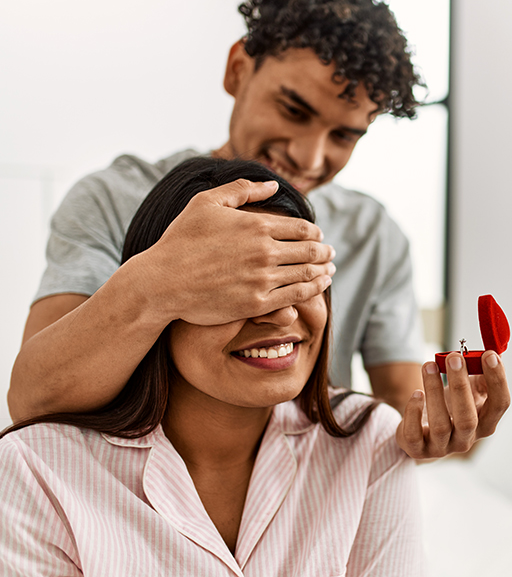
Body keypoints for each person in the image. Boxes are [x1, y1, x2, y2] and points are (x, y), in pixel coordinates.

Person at [8, 0, 510, 459]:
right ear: (238, 70)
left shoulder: (373, 235)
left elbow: (403, 414)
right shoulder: (113, 199)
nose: (311, 159)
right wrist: (162, 281)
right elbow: (34, 401)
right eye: (294, 110)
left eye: (344, 136)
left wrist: (447, 424)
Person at [0, 158, 425, 576]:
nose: (281, 317)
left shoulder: (371, 443)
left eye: (296, 278)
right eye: (239, 290)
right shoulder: (37, 470)